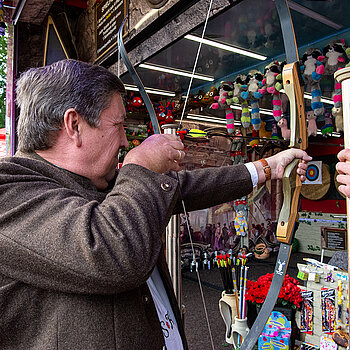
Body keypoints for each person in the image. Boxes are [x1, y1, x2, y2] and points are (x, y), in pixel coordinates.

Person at [0, 59, 311, 350]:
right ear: (74, 125)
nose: (124, 141)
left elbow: (180, 188)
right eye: (118, 125)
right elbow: (111, 252)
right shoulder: (10, 190)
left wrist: (265, 168)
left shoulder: (93, 184)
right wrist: (141, 166)